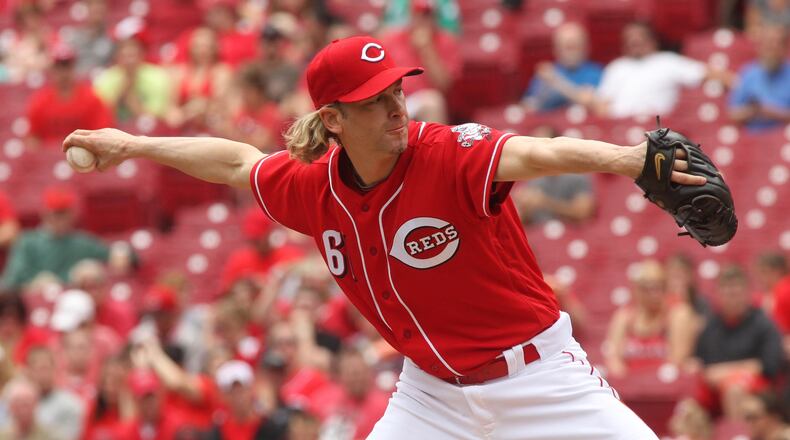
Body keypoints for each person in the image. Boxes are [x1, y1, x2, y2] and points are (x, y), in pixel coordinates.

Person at [64, 35, 708, 439]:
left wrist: (629, 159)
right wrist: (134, 144)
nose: (396, 105)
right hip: (429, 397)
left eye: (397, 89)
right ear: (333, 118)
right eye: (374, 99)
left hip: (539, 379)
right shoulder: (315, 189)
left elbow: (537, 152)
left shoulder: (446, 153)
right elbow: (236, 162)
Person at [692, 265, 785, 419]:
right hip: (714, 389)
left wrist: (726, 373)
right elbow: (701, 365)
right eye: (727, 291)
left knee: (734, 390)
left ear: (747, 292)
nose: (732, 296)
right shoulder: (710, 327)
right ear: (719, 294)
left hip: (758, 392)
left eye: (736, 291)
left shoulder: (764, 324)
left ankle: (737, 435)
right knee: (689, 401)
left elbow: (770, 366)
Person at [1, 186, 133, 289]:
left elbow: (120, 254)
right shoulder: (27, 242)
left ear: (72, 214)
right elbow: (10, 283)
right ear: (45, 213)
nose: (60, 219)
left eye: (64, 213)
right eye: (56, 213)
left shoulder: (82, 242)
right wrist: (32, 285)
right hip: (36, 306)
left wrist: (121, 253)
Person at [593, 21, 731, 119]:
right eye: (630, 40)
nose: (634, 43)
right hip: (619, 127)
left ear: (652, 40)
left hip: (656, 129)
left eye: (639, 39)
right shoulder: (616, 67)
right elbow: (602, 105)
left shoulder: (667, 61)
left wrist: (737, 84)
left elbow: (708, 73)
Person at [604, 259, 697, 378]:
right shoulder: (624, 316)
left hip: (664, 380)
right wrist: (625, 380)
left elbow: (678, 358)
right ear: (636, 290)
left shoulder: (678, 313)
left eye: (658, 288)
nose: (654, 294)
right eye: (647, 289)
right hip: (632, 382)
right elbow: (613, 357)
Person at [379, 1, 461, 123]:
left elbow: (444, 85)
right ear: (412, 16)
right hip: (394, 98)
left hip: (422, 100)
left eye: (427, 16)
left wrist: (427, 50)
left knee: (433, 101)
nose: (423, 20)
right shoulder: (392, 39)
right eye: (419, 15)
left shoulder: (446, 41)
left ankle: (435, 142)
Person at [25, 43, 113, 150]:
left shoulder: (91, 98)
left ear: (74, 68)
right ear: (52, 70)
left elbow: (103, 135)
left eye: (67, 66)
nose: (63, 73)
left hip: (84, 157)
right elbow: (33, 139)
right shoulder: (40, 100)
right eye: (59, 67)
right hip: (49, 159)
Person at [521, 22, 603, 113]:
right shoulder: (547, 73)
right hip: (549, 122)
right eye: (567, 47)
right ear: (556, 49)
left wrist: (556, 82)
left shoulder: (595, 72)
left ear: (586, 47)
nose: (571, 53)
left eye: (575, 46)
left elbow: (588, 101)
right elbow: (529, 107)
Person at [728, 24, 790, 130]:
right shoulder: (748, 73)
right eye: (768, 44)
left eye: (776, 44)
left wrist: (774, 112)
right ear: (760, 47)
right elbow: (733, 114)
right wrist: (754, 111)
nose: (772, 49)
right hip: (752, 139)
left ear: (784, 48)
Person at [24, 346, 85, 440]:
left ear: (55, 370)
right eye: (37, 369)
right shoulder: (16, 402)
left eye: (46, 368)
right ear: (28, 371)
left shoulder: (70, 404)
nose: (42, 374)